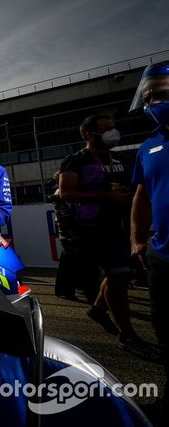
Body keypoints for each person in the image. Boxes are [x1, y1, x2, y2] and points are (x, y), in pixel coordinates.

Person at [58, 113, 153, 357]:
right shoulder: (75, 161)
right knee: (118, 276)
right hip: (96, 228)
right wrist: (105, 197)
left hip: (126, 225)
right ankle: (127, 334)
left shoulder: (123, 157)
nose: (113, 132)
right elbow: (66, 193)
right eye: (106, 128)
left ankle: (98, 309)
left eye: (113, 127)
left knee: (119, 274)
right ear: (90, 134)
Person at [130, 60, 169, 421]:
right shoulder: (148, 146)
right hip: (162, 256)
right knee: (165, 332)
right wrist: (138, 239)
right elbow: (142, 195)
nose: (155, 100)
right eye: (149, 94)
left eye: (162, 92)